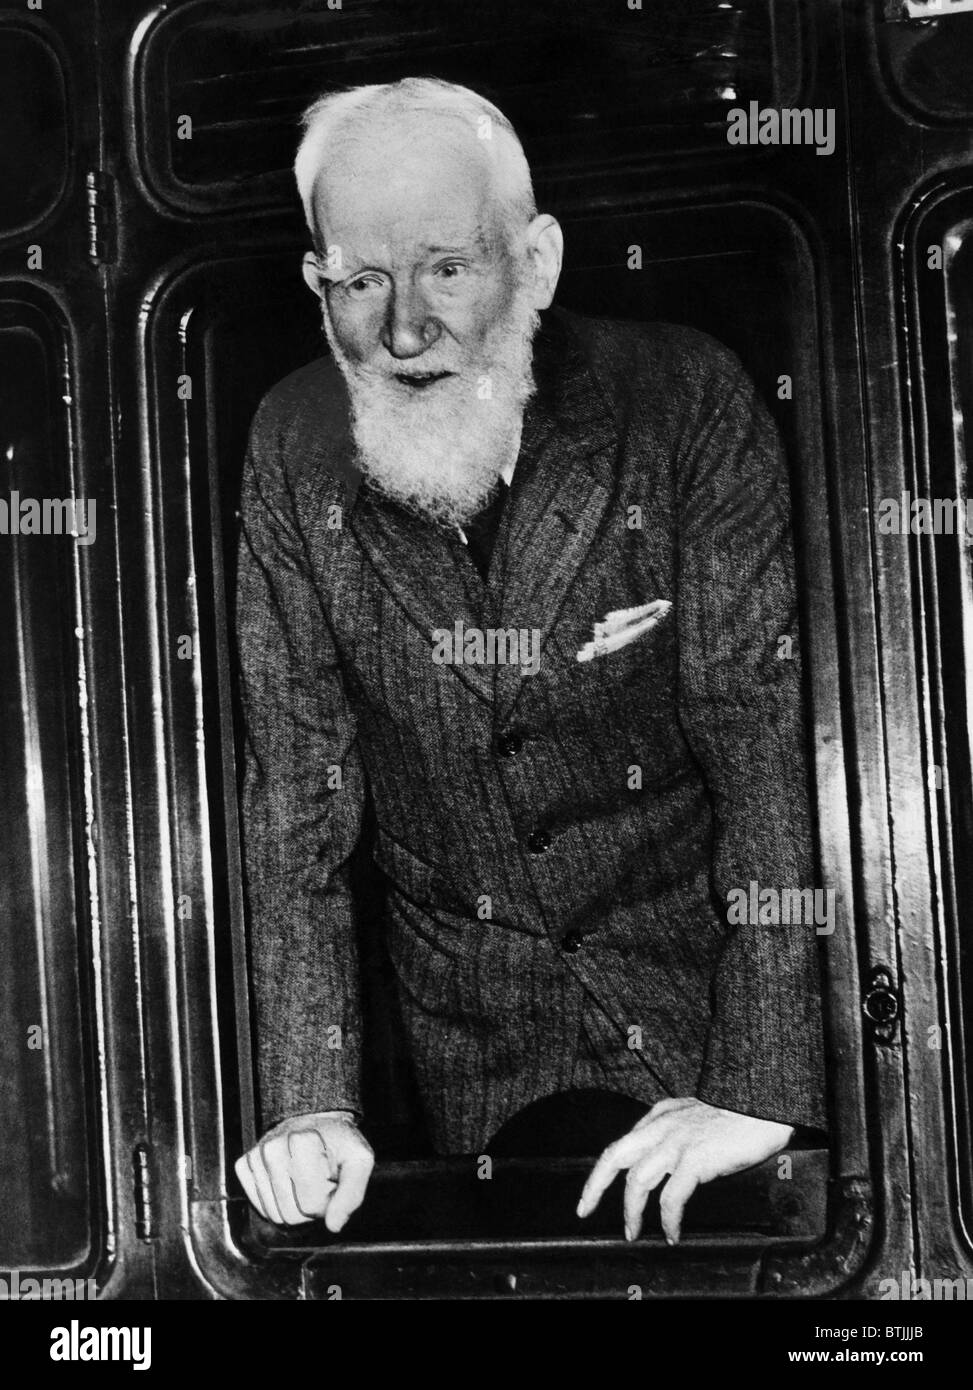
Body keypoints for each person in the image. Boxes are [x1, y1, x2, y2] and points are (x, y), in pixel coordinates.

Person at [233, 77, 825, 1245]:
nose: (403, 329)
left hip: (711, 1017)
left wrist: (766, 1085)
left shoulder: (681, 398)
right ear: (317, 287)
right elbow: (298, 799)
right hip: (478, 1064)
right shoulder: (292, 448)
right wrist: (310, 1101)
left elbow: (762, 737)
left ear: (537, 263)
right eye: (361, 279)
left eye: (447, 266)